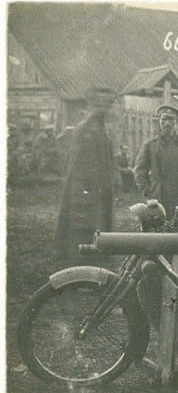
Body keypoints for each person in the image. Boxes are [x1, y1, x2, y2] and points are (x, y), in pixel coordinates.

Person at [53, 87, 117, 264]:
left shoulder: (104, 130)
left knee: (99, 226)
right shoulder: (83, 130)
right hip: (85, 190)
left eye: (108, 105)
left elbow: (108, 161)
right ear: (94, 107)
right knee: (83, 228)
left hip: (100, 189)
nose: (107, 110)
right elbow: (77, 166)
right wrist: (83, 193)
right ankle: (79, 266)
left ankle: (95, 260)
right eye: (102, 105)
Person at [134, 105, 178, 219]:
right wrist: (149, 191)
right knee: (161, 231)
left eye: (171, 120)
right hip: (160, 197)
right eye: (164, 119)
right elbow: (139, 171)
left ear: (176, 122)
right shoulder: (150, 145)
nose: (167, 123)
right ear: (159, 121)